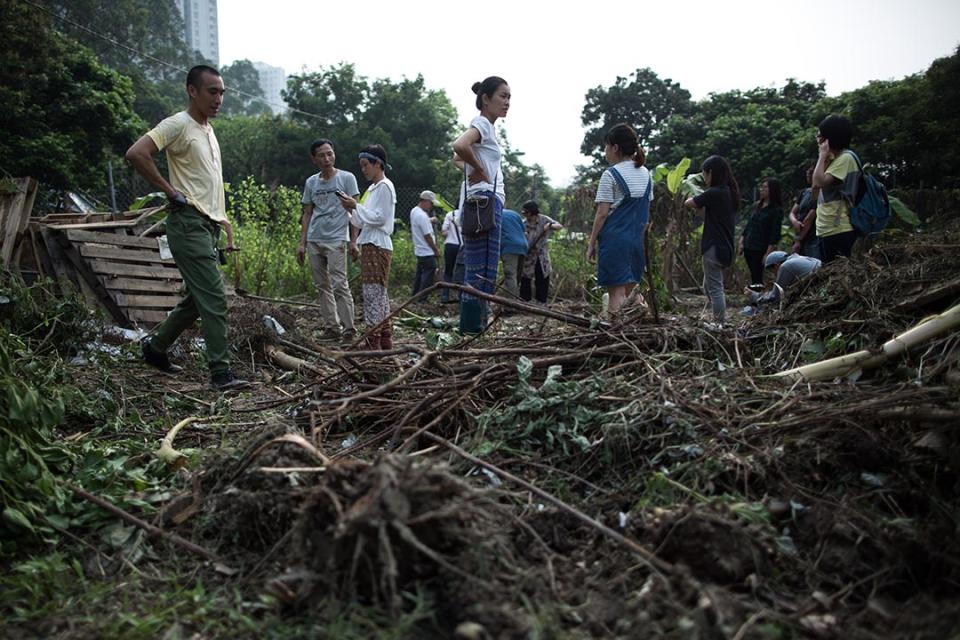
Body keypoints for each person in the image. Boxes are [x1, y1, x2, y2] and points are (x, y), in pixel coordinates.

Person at [125, 65, 247, 390]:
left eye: (222, 92)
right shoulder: (178, 124)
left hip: (208, 227)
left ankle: (154, 349)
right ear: (192, 90)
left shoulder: (207, 129)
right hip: (188, 223)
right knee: (215, 299)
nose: (219, 98)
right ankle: (221, 373)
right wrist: (170, 192)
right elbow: (137, 153)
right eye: (212, 91)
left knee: (197, 300)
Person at [452, 76, 510, 333]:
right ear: (486, 99)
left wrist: (473, 168)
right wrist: (479, 170)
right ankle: (472, 330)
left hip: (482, 201)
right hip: (484, 201)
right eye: (502, 96)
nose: (507, 102)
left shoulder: (488, 127)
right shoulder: (482, 124)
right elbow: (459, 146)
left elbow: (457, 158)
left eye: (509, 97)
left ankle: (475, 328)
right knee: (481, 270)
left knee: (480, 268)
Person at [586, 123, 653, 318]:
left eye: (606, 147)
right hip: (637, 242)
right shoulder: (646, 174)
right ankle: (639, 326)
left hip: (615, 241)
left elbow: (602, 214)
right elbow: (646, 211)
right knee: (632, 289)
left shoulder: (611, 175)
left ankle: (615, 333)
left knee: (616, 292)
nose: (605, 152)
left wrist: (591, 244)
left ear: (615, 148)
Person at [297, 139, 360, 341]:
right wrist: (302, 243)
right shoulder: (311, 182)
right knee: (322, 285)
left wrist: (354, 241)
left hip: (336, 239)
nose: (327, 158)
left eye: (330, 154)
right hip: (314, 239)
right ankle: (332, 327)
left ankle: (349, 328)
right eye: (322, 155)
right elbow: (307, 213)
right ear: (313, 158)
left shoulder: (347, 178)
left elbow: (355, 211)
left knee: (340, 283)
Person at [336, 145, 396, 350]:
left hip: (379, 244)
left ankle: (373, 341)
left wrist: (355, 206)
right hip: (370, 242)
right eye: (361, 166)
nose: (363, 169)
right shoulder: (372, 190)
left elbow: (380, 219)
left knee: (373, 293)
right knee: (377, 293)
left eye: (366, 165)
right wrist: (350, 210)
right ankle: (384, 338)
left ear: (378, 163)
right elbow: (361, 222)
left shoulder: (385, 186)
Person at [684, 155, 740, 328]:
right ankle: (719, 317)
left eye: (705, 175)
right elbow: (707, 213)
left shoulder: (715, 192)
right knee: (708, 286)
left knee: (715, 289)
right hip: (725, 246)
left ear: (711, 173)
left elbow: (689, 202)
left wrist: (697, 191)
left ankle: (719, 323)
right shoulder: (729, 192)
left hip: (713, 247)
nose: (705, 179)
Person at [809, 114, 860, 263]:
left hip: (839, 229)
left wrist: (822, 155)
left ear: (830, 137)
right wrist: (825, 158)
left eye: (820, 135)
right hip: (826, 229)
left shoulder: (846, 158)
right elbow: (814, 191)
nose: (818, 138)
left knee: (837, 276)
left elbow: (818, 182)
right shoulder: (834, 159)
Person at [740, 178, 784, 286]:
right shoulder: (757, 206)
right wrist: (741, 241)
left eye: (765, 187)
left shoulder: (776, 210)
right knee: (753, 274)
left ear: (772, 190)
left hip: (760, 248)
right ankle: (756, 295)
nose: (761, 190)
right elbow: (749, 224)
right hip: (749, 244)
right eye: (762, 187)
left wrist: (768, 253)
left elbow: (775, 234)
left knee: (757, 275)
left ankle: (758, 297)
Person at [743, 250, 821, 309]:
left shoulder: (785, 266)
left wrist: (752, 295)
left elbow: (776, 297)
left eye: (772, 271)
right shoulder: (800, 258)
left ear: (776, 266)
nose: (774, 275)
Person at [520, 201, 563, 304]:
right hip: (528, 254)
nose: (525, 215)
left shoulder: (544, 219)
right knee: (525, 278)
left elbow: (559, 226)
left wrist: (550, 226)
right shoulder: (523, 223)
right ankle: (525, 302)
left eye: (526, 213)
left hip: (541, 255)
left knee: (542, 277)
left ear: (531, 213)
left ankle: (541, 302)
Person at [410, 190, 441, 300]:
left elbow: (422, 223)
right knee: (429, 274)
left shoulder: (415, 211)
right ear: (425, 201)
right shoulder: (422, 216)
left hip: (420, 250)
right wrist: (436, 249)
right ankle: (422, 298)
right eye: (431, 203)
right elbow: (427, 236)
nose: (431, 206)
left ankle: (414, 296)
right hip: (427, 250)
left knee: (420, 274)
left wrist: (430, 220)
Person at [789, 165, 820, 260]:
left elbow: (809, 219)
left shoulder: (820, 193)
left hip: (812, 237)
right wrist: (794, 222)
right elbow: (792, 212)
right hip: (799, 232)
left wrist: (799, 240)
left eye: (811, 173)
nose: (808, 175)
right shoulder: (804, 192)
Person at [499, 208, 528, 300]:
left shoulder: (495, 215)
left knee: (510, 276)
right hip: (523, 246)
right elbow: (524, 231)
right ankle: (515, 299)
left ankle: (510, 304)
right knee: (516, 277)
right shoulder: (514, 213)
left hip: (509, 246)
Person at [440, 208, 462, 303]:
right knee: (462, 271)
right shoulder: (467, 214)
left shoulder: (450, 214)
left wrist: (451, 233)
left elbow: (444, 231)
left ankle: (445, 295)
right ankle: (461, 295)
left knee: (448, 271)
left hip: (450, 245)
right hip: (462, 246)